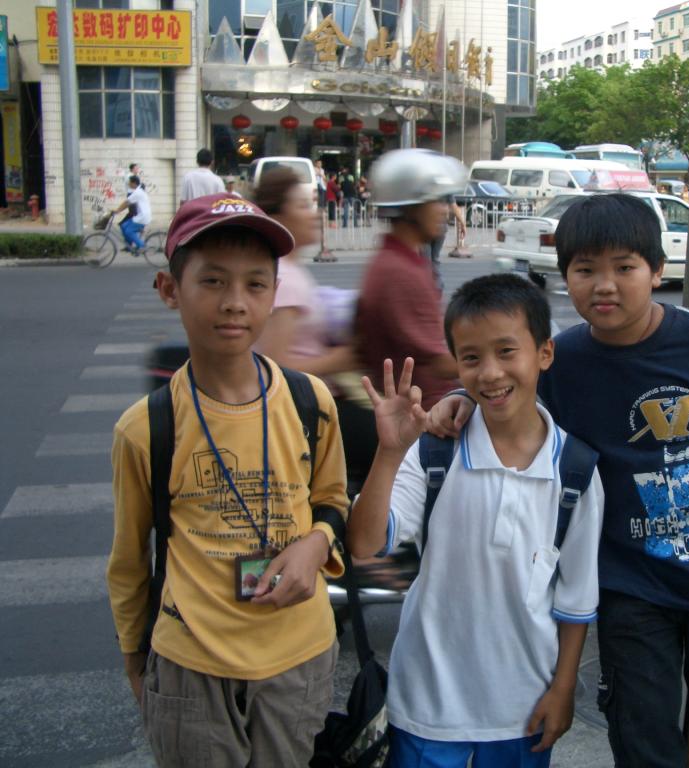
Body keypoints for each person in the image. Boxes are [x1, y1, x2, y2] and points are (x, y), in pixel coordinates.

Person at [429, 193, 689, 767]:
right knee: (642, 743)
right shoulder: (562, 360)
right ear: (564, 275)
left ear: (657, 270)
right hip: (628, 589)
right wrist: (458, 399)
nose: (605, 285)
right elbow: (505, 387)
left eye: (624, 267)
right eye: (585, 270)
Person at [106, 192, 349, 766]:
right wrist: (137, 661)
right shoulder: (146, 428)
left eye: (255, 284)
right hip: (190, 666)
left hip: (298, 657)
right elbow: (129, 562)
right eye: (212, 281)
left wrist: (316, 544)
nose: (235, 302)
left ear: (274, 292)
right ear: (170, 290)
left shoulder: (310, 401)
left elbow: (333, 500)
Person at [346, 273, 604, 767]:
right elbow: (363, 544)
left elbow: (576, 599)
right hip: (426, 704)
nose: (489, 373)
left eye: (506, 351)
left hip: (522, 708)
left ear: (544, 353)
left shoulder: (575, 472)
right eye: (471, 357)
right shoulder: (435, 452)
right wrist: (389, 453)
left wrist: (564, 688)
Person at [251, 167, 371, 488]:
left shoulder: (290, 270)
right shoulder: (284, 278)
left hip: (319, 399)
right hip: (306, 411)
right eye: (303, 205)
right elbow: (273, 368)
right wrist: (338, 360)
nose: (315, 214)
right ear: (278, 218)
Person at [354, 149, 461, 412]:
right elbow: (439, 363)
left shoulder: (404, 260)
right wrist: (496, 359)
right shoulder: (399, 273)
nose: (445, 211)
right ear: (411, 209)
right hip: (428, 413)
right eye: (436, 201)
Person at [111, 175, 151, 254]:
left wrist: (117, 210)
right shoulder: (138, 191)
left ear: (134, 183)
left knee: (128, 231)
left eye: (130, 182)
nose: (129, 184)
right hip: (140, 216)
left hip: (143, 217)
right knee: (123, 225)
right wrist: (118, 210)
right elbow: (128, 203)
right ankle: (129, 246)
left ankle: (142, 246)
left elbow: (127, 202)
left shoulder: (138, 192)